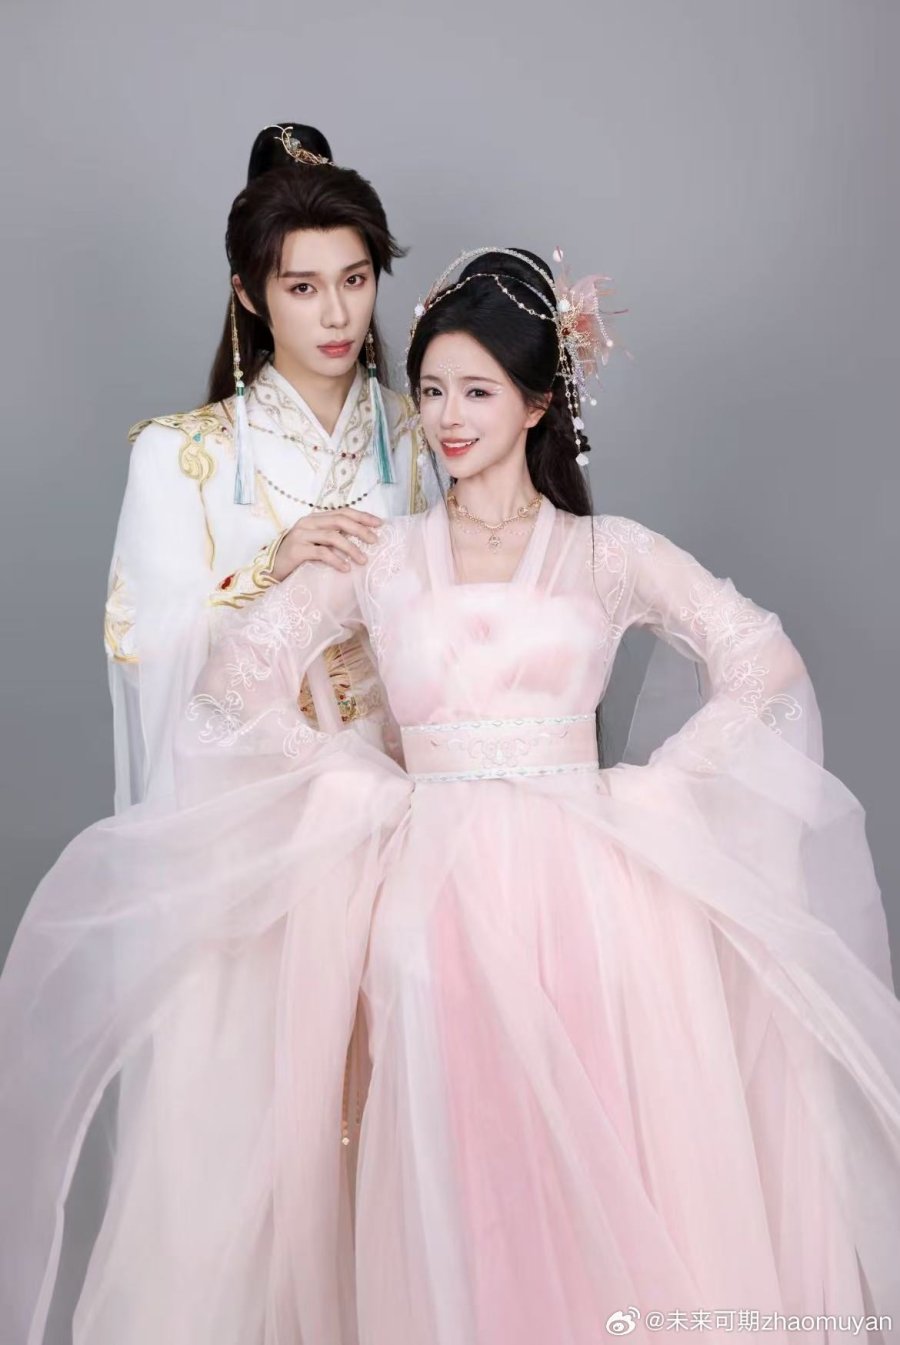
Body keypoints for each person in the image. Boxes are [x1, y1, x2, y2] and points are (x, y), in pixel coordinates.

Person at [3, 247, 900, 1345]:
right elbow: (234, 689)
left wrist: (655, 799)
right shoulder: (384, 558)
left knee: (593, 1168)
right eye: (430, 390)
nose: (446, 417)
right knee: (452, 1169)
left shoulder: (606, 554)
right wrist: (358, 791)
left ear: (537, 402)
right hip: (429, 903)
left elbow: (763, 664)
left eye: (477, 391)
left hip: (589, 904)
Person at [103, 122, 442, 811]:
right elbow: (140, 645)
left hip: (406, 788)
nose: (338, 314)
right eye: (303, 289)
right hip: (252, 802)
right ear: (251, 294)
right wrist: (269, 569)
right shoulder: (181, 454)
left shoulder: (427, 434)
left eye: (355, 280)